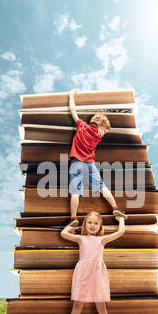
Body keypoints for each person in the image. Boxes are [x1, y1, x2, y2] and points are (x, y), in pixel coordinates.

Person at [61, 211, 125, 314]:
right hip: (82, 275)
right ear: (85, 224)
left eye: (96, 223)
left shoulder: (102, 239)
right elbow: (63, 234)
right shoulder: (81, 239)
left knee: (101, 306)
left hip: (97, 275)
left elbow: (121, 232)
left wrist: (121, 219)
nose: (93, 225)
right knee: (77, 305)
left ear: (100, 225)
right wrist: (71, 227)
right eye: (90, 222)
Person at [67, 89, 128, 227]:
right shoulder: (97, 138)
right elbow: (97, 134)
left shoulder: (81, 126)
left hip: (76, 162)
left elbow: (72, 109)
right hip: (89, 164)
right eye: (104, 131)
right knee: (102, 187)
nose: (103, 135)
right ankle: (115, 208)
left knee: (75, 192)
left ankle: (73, 217)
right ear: (100, 125)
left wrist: (71, 96)